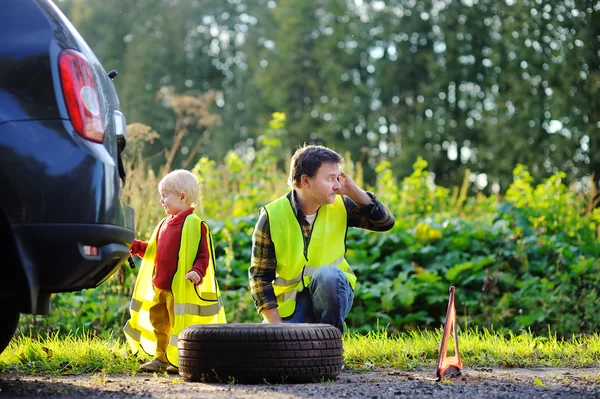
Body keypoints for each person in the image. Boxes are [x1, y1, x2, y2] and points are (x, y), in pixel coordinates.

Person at [249, 145, 395, 332]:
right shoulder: (271, 215)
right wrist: (276, 327)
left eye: (337, 178)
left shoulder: (341, 205)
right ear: (306, 181)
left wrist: (354, 191)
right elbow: (259, 277)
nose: (336, 185)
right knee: (276, 355)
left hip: (332, 292)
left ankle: (332, 348)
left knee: (327, 275)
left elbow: (385, 222)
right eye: (330, 178)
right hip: (290, 306)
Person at [124, 169, 226, 373]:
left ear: (182, 196)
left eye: (165, 196)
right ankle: (160, 358)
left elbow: (203, 255)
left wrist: (198, 271)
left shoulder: (195, 225)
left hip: (178, 291)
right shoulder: (163, 224)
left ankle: (178, 359)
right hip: (160, 288)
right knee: (159, 324)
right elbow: (154, 251)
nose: (161, 201)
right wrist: (136, 247)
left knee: (177, 324)